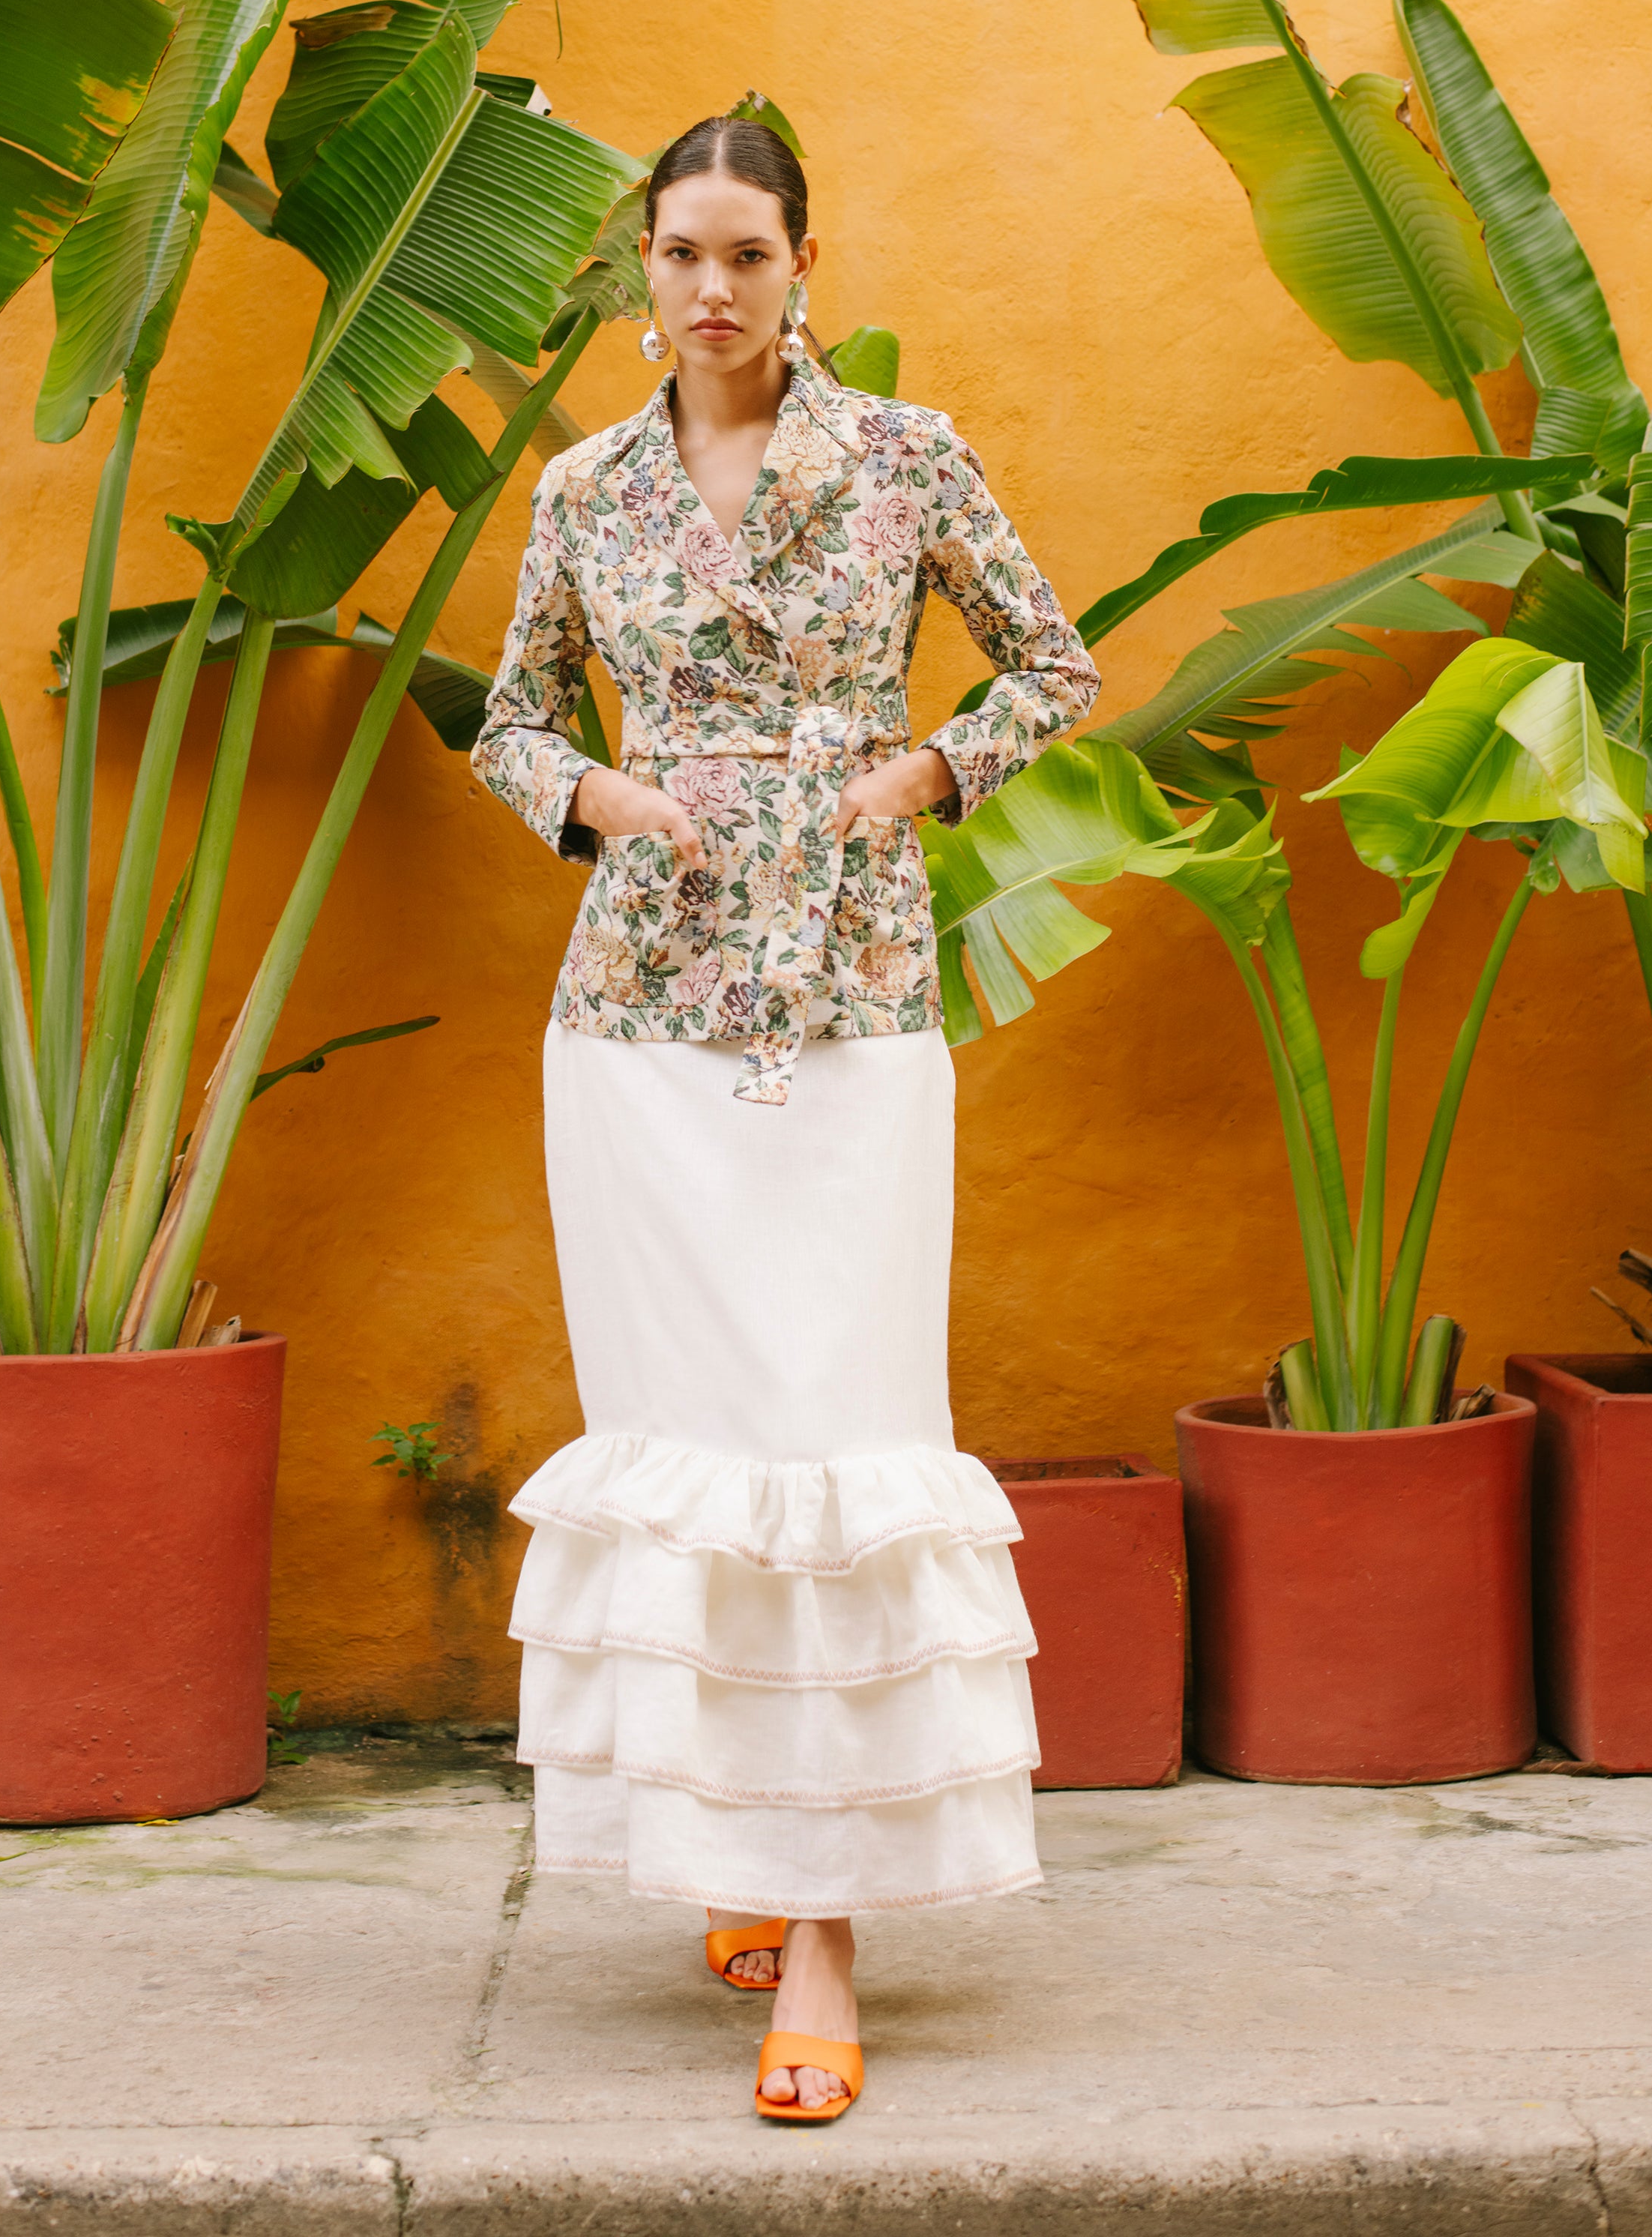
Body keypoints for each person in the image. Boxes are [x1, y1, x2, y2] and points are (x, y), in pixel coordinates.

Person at [471, 113, 1100, 2122]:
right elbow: (507, 720)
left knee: (833, 1432)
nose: (713, 291)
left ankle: (819, 1926)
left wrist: (916, 779)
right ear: (637, 268)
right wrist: (600, 797)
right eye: (678, 255)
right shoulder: (581, 488)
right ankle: (745, 1858)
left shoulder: (906, 456)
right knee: (691, 1447)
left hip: (846, 996)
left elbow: (1051, 670)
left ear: (804, 261)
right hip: (638, 1021)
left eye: (747, 254)